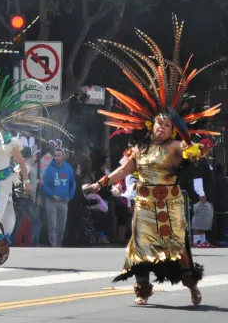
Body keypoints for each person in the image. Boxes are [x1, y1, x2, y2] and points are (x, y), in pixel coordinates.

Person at [86, 18, 220, 306]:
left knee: (178, 248)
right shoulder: (141, 149)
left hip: (170, 203)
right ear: (151, 126)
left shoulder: (175, 147)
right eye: (157, 125)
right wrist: (102, 182)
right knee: (140, 248)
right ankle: (143, 291)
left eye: (165, 125)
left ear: (172, 129)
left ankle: (192, 286)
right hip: (144, 204)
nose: (160, 128)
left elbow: (196, 153)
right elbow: (124, 170)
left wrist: (197, 147)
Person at [0, 76, 66, 267]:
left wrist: (27, 182)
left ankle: (2, 249)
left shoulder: (9, 142)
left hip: (4, 184)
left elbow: (20, 160)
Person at [42, 148, 76, 247]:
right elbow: (44, 185)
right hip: (51, 201)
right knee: (52, 225)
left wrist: (70, 197)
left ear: (63, 156)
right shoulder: (49, 169)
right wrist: (52, 196)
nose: (57, 157)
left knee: (61, 227)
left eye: (59, 155)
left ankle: (59, 245)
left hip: (64, 201)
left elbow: (73, 183)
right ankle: (54, 246)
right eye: (55, 155)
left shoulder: (68, 167)